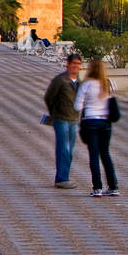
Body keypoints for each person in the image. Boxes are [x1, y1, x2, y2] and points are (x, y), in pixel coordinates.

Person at [74, 59, 120, 197]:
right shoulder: (108, 84)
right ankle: (113, 186)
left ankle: (97, 188)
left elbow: (77, 106)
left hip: (90, 122)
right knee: (105, 154)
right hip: (105, 123)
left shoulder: (86, 85)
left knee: (93, 155)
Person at [44, 53, 84, 189]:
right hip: (61, 119)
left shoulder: (79, 82)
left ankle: (64, 176)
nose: (76, 66)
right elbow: (49, 97)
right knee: (63, 148)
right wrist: (54, 112)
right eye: (74, 63)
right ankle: (62, 178)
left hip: (73, 119)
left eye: (78, 64)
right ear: (68, 64)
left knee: (70, 150)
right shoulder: (60, 80)